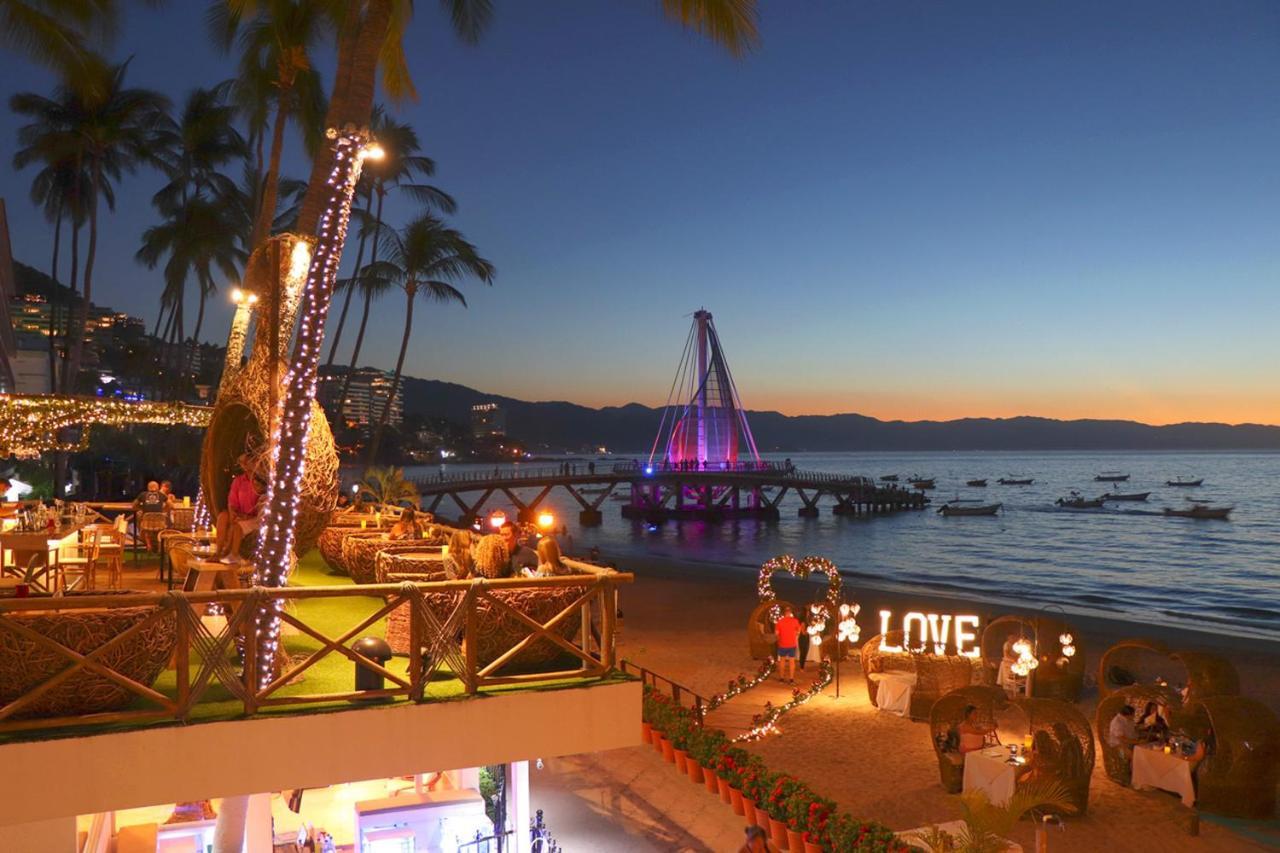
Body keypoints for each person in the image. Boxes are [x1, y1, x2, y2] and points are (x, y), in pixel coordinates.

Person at [215, 457, 263, 564]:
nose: (245, 465)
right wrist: (233, 514)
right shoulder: (239, 481)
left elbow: (261, 504)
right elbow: (232, 501)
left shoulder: (260, 481)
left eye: (247, 462)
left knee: (237, 526)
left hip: (253, 517)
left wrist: (246, 517)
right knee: (223, 516)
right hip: (239, 514)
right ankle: (218, 553)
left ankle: (231, 553)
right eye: (242, 463)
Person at [133, 480, 167, 551]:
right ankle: (160, 544)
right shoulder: (161, 495)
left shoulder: (142, 494)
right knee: (161, 528)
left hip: (147, 521)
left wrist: (141, 508)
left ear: (148, 487)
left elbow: (134, 505)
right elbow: (171, 505)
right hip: (160, 522)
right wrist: (164, 509)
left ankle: (148, 544)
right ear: (157, 487)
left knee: (145, 528)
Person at [774, 604, 802, 684]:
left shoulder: (779, 622)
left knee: (782, 661)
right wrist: (796, 636)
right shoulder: (795, 621)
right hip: (792, 644)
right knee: (791, 662)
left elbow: (776, 633)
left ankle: (781, 678)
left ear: (784, 613)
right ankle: (791, 679)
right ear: (790, 613)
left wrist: (779, 638)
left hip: (782, 644)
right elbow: (799, 630)